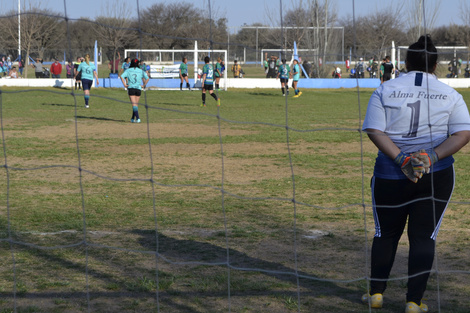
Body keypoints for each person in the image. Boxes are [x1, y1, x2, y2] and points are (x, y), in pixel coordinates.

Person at [361, 35, 470, 313]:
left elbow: (375, 130)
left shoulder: (385, 89)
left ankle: (376, 294)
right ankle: (413, 301)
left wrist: (401, 158)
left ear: (406, 62)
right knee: (423, 237)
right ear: (435, 65)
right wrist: (430, 156)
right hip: (435, 176)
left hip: (390, 174)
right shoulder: (451, 94)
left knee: (385, 234)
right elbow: (463, 133)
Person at [120, 58, 149, 123]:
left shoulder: (128, 70)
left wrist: (125, 85)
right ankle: (133, 118)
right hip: (138, 89)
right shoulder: (140, 70)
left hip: (131, 88)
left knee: (134, 104)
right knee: (135, 104)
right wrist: (144, 85)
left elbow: (121, 76)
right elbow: (147, 78)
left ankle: (138, 118)